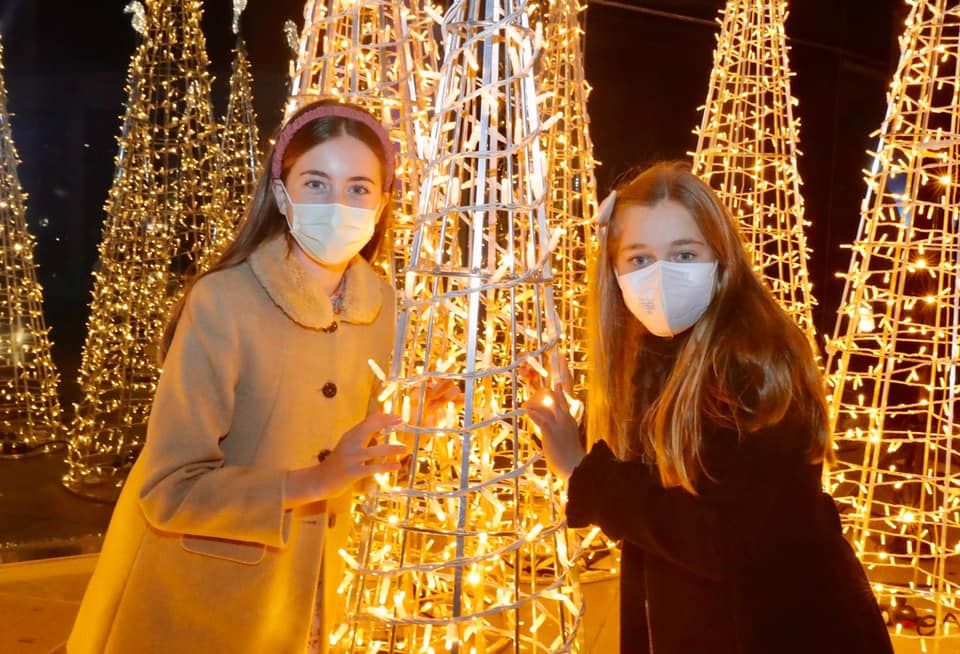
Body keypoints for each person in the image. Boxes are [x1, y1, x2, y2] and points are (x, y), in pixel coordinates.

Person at [67, 99, 420, 653]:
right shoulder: (223, 302)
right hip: (214, 602)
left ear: (382, 202)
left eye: (358, 188)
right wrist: (312, 483)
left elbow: (352, 449)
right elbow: (170, 487)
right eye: (315, 183)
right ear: (281, 195)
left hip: (330, 600)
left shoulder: (383, 306)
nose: (338, 204)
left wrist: (417, 421)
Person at [525, 162, 893, 654]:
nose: (660, 275)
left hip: (781, 627)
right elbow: (658, 485)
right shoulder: (657, 349)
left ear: (720, 257)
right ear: (613, 273)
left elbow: (716, 538)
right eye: (639, 259)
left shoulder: (752, 361)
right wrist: (566, 423)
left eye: (682, 253)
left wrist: (582, 472)